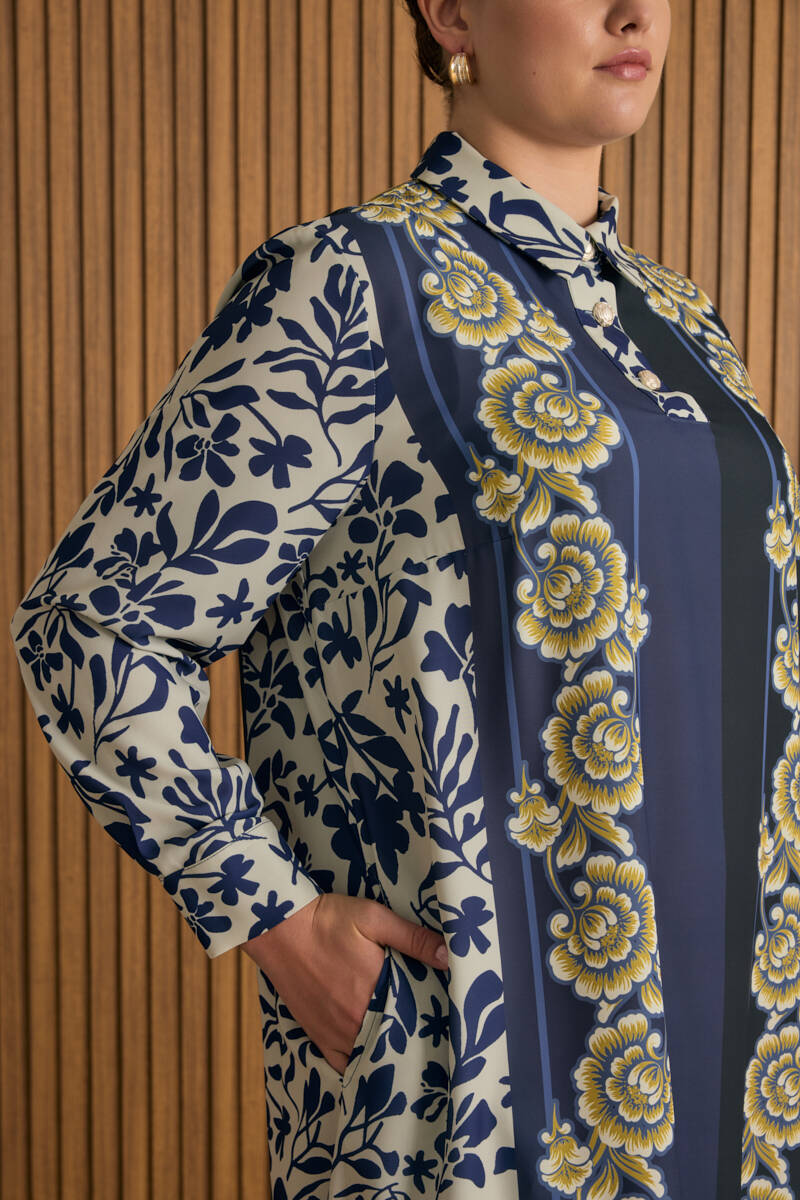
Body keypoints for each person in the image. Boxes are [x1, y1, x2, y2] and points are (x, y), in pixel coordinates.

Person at [9, 0, 798, 1195]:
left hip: (733, 1066)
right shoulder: (349, 284)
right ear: (450, 10)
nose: (635, 9)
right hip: (470, 1081)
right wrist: (271, 913)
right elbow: (93, 624)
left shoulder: (683, 323)